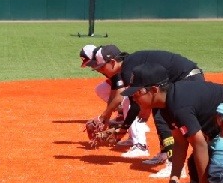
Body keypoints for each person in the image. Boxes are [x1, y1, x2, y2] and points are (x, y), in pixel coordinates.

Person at [88, 44, 207, 172]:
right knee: (158, 108)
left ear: (112, 62)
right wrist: (109, 120)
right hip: (186, 78)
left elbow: (135, 104)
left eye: (101, 67)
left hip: (188, 80)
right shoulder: (126, 66)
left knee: (162, 115)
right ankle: (165, 154)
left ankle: (175, 165)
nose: (100, 71)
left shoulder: (128, 69)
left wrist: (122, 129)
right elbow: (125, 99)